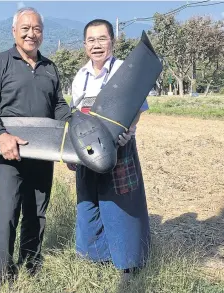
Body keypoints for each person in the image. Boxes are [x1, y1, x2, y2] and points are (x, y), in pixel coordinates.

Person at [0, 7, 71, 286]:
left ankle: (31, 266)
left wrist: (74, 128)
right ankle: (2, 276)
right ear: (14, 31)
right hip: (8, 154)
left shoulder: (50, 67)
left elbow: (59, 106)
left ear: (42, 32)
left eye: (37, 29)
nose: (32, 33)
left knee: (37, 211)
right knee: (7, 211)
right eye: (25, 28)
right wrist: (1, 136)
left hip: (43, 152)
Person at [68, 19, 151, 285]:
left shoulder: (124, 71)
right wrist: (73, 153)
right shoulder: (80, 77)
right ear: (84, 45)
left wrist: (128, 130)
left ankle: (128, 266)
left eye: (101, 39)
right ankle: (96, 258)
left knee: (121, 207)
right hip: (88, 152)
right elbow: (75, 118)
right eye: (91, 40)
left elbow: (138, 108)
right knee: (88, 203)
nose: (96, 45)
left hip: (119, 148)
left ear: (112, 42)